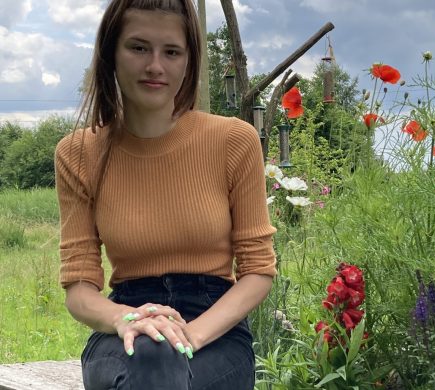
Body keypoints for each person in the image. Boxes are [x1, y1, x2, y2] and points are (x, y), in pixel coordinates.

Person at [54, 0, 276, 389]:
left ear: (189, 60)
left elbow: (258, 271)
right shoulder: (77, 154)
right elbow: (79, 289)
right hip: (120, 327)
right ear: (110, 53)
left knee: (162, 359)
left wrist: (188, 335)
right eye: (138, 47)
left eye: (171, 51)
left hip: (215, 328)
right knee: (154, 355)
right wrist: (130, 319)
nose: (155, 65)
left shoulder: (232, 141)